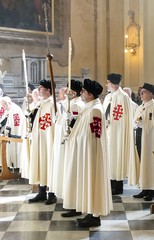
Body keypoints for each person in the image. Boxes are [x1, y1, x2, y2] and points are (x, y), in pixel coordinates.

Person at [62, 79, 112, 228]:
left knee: (93, 182)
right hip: (86, 152)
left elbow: (94, 136)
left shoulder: (95, 110)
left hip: (92, 154)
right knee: (89, 183)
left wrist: (78, 140)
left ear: (90, 94)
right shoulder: (89, 107)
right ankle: (90, 213)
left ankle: (94, 216)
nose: (81, 93)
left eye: (83, 91)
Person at [103, 73, 136, 194]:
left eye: (107, 83)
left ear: (113, 84)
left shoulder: (123, 97)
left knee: (117, 157)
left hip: (119, 133)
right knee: (110, 157)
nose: (106, 85)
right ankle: (110, 183)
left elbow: (125, 118)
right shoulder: (108, 97)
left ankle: (118, 186)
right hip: (108, 131)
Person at [57, 80, 85, 217]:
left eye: (68, 90)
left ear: (73, 92)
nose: (66, 93)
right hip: (69, 143)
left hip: (74, 144)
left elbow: (74, 124)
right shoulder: (72, 104)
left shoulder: (76, 105)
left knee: (73, 173)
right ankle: (72, 202)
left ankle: (75, 205)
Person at [28, 79, 58, 205]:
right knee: (40, 163)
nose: (38, 89)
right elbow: (33, 119)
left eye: (41, 88)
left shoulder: (52, 104)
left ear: (48, 90)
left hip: (49, 139)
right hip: (39, 138)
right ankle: (41, 192)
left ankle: (52, 193)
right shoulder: (40, 103)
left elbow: (56, 123)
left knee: (49, 164)